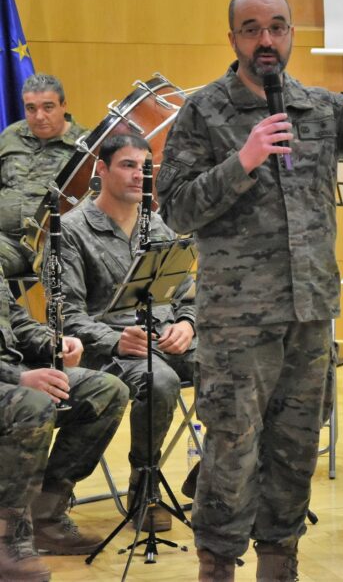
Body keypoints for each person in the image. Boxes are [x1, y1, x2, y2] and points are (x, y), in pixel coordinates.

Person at [155, 0, 343, 580]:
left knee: (296, 445)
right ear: (234, 38)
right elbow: (176, 209)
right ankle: (217, 563)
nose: (265, 39)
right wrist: (241, 162)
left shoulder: (317, 106)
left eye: (277, 27)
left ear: (292, 33)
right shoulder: (203, 111)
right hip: (239, 319)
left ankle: (279, 561)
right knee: (231, 444)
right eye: (252, 28)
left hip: (310, 311)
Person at [56, 133, 196, 532]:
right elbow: (66, 314)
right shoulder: (72, 230)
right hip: (109, 349)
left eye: (145, 167)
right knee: (161, 380)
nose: (140, 175)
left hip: (167, 336)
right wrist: (115, 339)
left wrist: (188, 324)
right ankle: (144, 486)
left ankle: (214, 476)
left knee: (234, 362)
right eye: (128, 165)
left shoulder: (161, 225)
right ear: (101, 170)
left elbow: (188, 295)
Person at [0, 268, 129, 575]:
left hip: (12, 373)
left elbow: (14, 318)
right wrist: (17, 377)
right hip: (9, 377)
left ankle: (46, 514)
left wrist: (54, 343)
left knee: (107, 390)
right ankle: (8, 537)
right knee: (32, 405)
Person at [0, 74, 88, 276]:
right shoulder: (10, 136)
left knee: (67, 282)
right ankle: (15, 310)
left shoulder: (85, 147)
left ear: (63, 105)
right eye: (31, 108)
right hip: (8, 241)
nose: (39, 116)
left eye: (48, 107)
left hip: (56, 243)